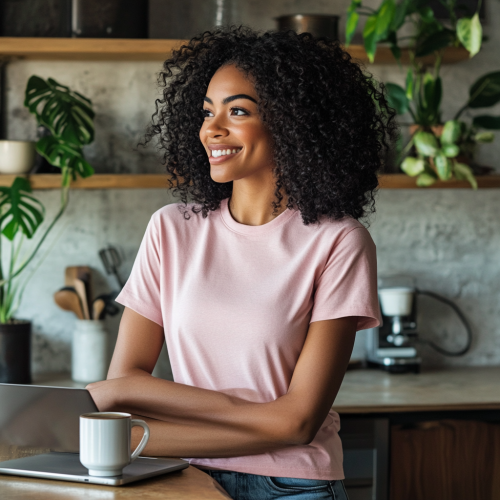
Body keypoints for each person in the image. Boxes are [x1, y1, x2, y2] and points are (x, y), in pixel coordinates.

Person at [86, 26, 396, 500]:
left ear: (293, 122)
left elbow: (298, 422)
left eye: (238, 111)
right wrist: (258, 415)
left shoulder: (339, 242)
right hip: (182, 477)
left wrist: (136, 436)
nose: (211, 128)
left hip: (293, 484)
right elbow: (122, 380)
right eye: (208, 110)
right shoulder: (172, 229)